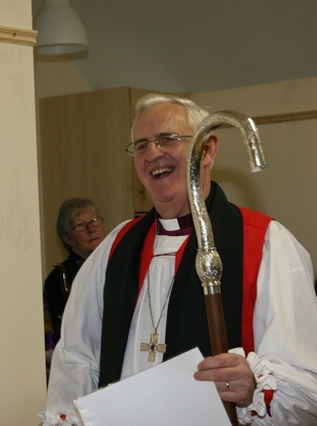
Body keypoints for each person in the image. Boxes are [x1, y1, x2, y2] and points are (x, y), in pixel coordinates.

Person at [40, 94, 317, 425]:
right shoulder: (115, 248)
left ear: (208, 149)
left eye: (167, 139)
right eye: (141, 145)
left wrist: (253, 385)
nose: (152, 153)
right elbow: (76, 359)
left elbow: (306, 385)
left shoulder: (267, 243)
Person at [44, 198, 105, 345]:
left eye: (94, 220)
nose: (91, 229)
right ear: (67, 238)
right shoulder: (58, 278)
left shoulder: (120, 263)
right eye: (80, 226)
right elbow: (64, 333)